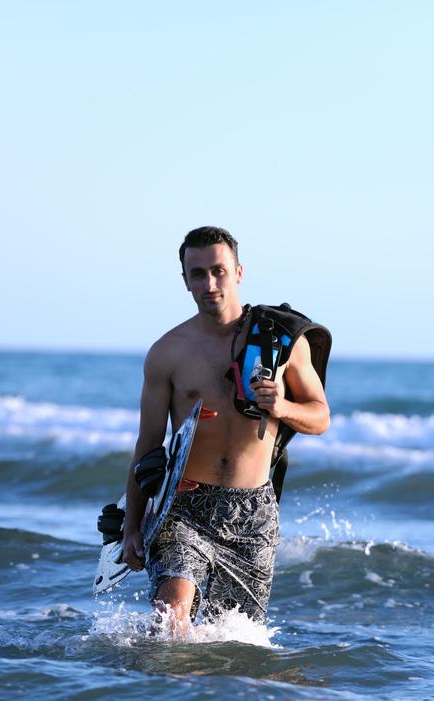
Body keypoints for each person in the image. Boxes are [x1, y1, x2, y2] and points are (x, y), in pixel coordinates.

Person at [121, 226, 330, 632]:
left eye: (218, 270)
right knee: (171, 616)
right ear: (185, 280)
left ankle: (200, 696)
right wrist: (132, 525)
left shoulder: (280, 342)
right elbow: (147, 445)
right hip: (184, 507)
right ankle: (156, 692)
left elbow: (320, 416)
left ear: (239, 272)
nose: (209, 283)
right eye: (197, 273)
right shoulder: (168, 353)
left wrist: (282, 405)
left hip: (254, 511)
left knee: (232, 639)